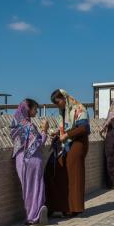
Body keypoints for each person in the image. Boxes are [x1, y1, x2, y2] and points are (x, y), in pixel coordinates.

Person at [44, 89, 90, 217]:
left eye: (58, 102)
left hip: (78, 144)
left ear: (64, 98)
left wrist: (67, 135)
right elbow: (66, 129)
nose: (57, 105)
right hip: (66, 144)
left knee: (73, 174)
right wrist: (58, 134)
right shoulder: (63, 112)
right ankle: (59, 205)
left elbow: (84, 128)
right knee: (53, 170)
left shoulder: (79, 109)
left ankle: (74, 208)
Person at [10, 99, 49, 225]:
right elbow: (39, 143)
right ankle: (37, 212)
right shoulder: (30, 126)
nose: (36, 112)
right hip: (34, 159)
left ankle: (32, 215)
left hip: (21, 160)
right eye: (35, 109)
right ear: (28, 109)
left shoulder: (15, 126)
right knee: (37, 186)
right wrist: (44, 131)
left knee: (27, 189)